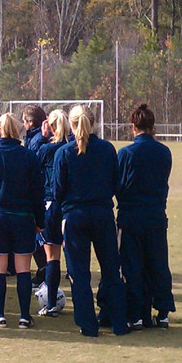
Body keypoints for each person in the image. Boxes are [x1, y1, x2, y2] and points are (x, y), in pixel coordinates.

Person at [53, 105, 129, 337]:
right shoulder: (107, 149)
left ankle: (88, 325)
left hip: (75, 217)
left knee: (79, 273)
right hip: (103, 214)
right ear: (94, 123)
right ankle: (118, 322)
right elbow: (116, 183)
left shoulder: (64, 153)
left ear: (71, 124)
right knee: (111, 270)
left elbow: (57, 190)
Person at [0, 113, 45, 329]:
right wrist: (40, 220)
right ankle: (24, 317)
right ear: (18, 131)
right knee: (23, 268)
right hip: (23, 217)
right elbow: (37, 192)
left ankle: (0, 316)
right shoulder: (28, 156)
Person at [116, 104, 174, 329]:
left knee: (132, 265)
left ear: (133, 127)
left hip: (131, 216)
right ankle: (163, 312)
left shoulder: (126, 153)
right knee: (158, 264)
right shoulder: (164, 152)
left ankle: (137, 314)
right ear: (153, 126)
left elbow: (119, 185)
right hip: (156, 215)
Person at [35, 108, 70, 316]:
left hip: (50, 204)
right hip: (69, 206)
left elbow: (33, 162)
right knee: (73, 255)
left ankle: (50, 305)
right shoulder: (73, 147)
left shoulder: (47, 149)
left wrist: (42, 135)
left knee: (52, 257)